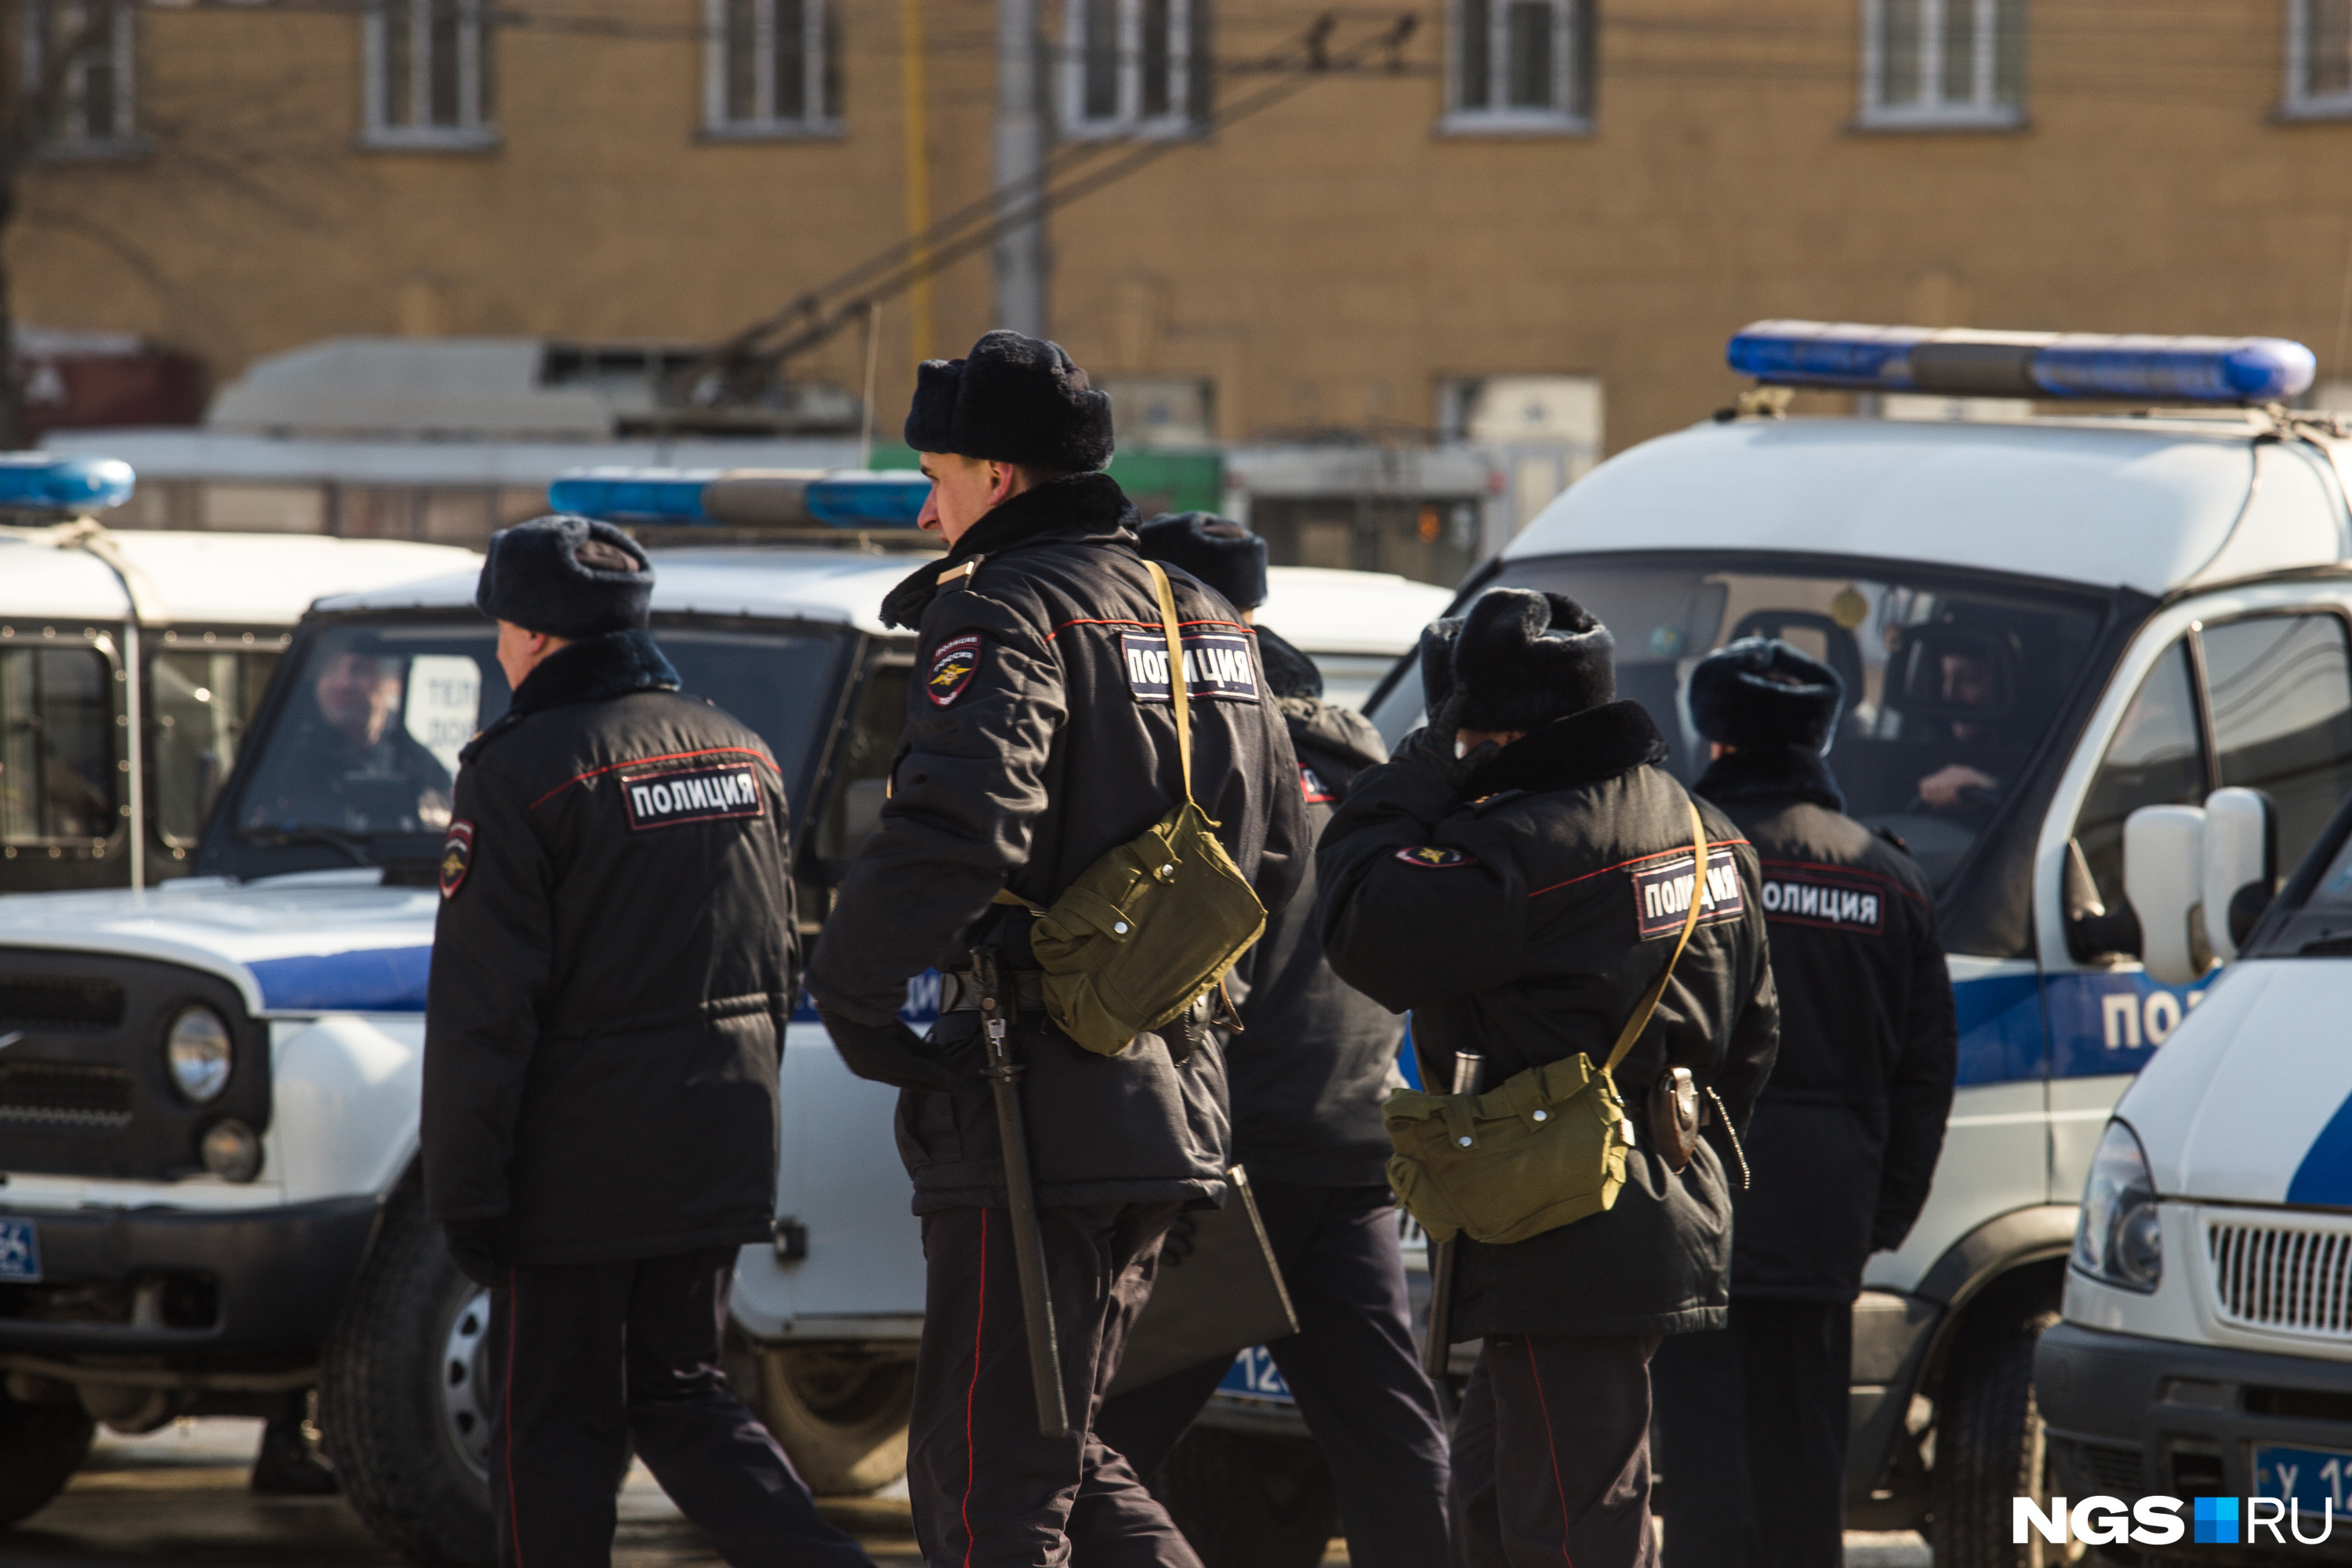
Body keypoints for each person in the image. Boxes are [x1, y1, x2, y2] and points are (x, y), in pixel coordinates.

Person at [802, 332, 1308, 1568]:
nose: (930, 508)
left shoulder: (1002, 604)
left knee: (989, 1486)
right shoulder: (1205, 618)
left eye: (941, 474)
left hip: (1032, 1096)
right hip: (1168, 1089)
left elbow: (964, 825)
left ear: (1002, 476)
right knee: (1063, 1453)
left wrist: (853, 991)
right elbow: (1285, 860)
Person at [419, 516, 870, 1568]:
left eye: (500, 627)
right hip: (714, 1147)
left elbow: (486, 1011)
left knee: (553, 1429)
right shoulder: (741, 750)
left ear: (530, 633)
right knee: (679, 1397)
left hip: (576, 1174)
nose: (498, 649)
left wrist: (466, 1187)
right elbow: (773, 961)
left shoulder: (520, 770)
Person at [1317, 588, 1778, 1568]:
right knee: (1493, 1493)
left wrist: (1416, 765)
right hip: (1641, 1204)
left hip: (1560, 1224)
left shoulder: (1517, 847)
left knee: (1574, 1527)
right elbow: (1754, 1036)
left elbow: (1360, 916)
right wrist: (1660, 1152)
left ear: (1484, 731)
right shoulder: (1708, 830)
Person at [1088, 512, 1451, 1565]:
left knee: (1091, 1447)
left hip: (1221, 1154)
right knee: (1390, 1441)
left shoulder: (1195, 748)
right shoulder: (1357, 756)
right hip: (1348, 1139)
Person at [1652, 637, 1957, 1568]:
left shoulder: (1675, 858)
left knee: (1702, 1472)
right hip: (1827, 1217)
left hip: (1690, 1202)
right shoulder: (1888, 876)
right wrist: (1881, 1211)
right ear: (1824, 737)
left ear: (1714, 735)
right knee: (1804, 1471)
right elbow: (1925, 1071)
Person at [240, 641, 454, 834]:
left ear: (394, 681)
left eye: (360, 670)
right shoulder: (282, 759)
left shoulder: (418, 763)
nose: (343, 683)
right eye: (331, 669)